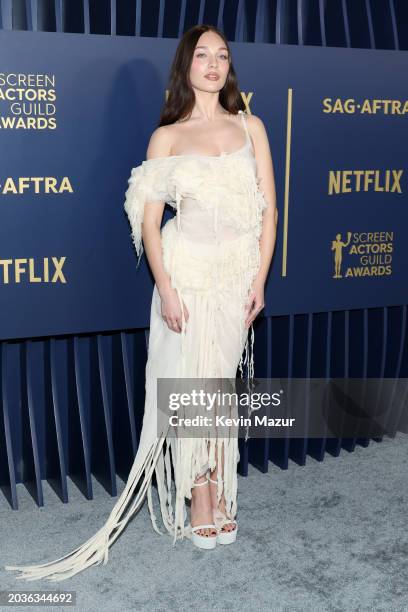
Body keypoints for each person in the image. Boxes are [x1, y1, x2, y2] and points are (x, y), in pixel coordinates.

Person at [4, 23, 277, 581]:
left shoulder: (252, 127)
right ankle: (200, 497)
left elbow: (270, 210)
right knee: (191, 383)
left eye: (222, 55)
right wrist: (168, 288)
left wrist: (260, 280)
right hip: (187, 274)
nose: (213, 64)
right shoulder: (167, 137)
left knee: (219, 383)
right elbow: (151, 227)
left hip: (235, 278)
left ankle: (220, 484)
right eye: (202, 55)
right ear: (185, 66)